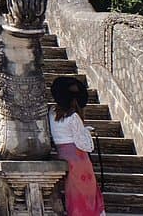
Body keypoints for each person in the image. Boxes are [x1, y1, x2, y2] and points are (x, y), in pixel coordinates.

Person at [49, 75, 105, 216]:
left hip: (61, 153)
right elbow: (83, 144)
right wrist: (87, 131)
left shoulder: (51, 113)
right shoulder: (73, 117)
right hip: (77, 156)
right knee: (86, 188)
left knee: (72, 189)